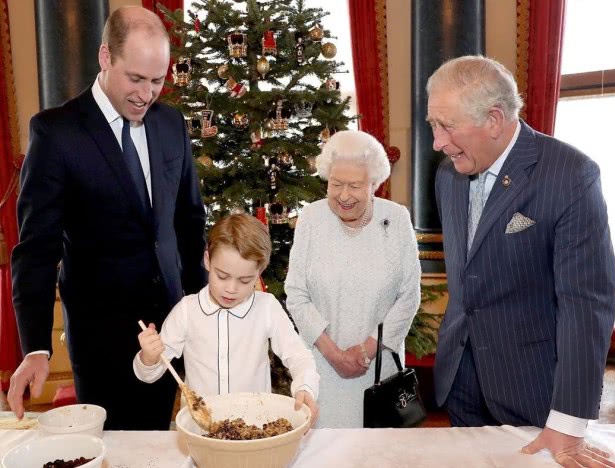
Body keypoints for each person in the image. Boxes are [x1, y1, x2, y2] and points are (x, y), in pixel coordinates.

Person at [8, 6, 207, 430]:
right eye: (135, 78)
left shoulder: (171, 124)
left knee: (161, 443)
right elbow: (36, 251)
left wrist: (203, 310)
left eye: (157, 81)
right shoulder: (56, 133)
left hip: (172, 326)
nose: (146, 94)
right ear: (105, 57)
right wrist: (36, 347)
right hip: (103, 340)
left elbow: (189, 225)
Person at [427, 55, 615, 467]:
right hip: (461, 376)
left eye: (446, 126)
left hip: (533, 388)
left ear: (494, 119)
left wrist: (568, 420)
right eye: (432, 126)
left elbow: (586, 305)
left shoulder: (570, 174)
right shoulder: (448, 174)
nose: (437, 142)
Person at [285, 130, 421, 428]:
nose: (344, 195)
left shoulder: (396, 219)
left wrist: (365, 351)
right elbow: (295, 293)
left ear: (374, 184)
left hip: (379, 371)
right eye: (336, 185)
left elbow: (408, 295)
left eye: (355, 186)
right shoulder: (311, 218)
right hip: (321, 367)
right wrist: (333, 354)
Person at [135, 214, 319, 425]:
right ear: (207, 260)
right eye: (222, 276)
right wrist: (148, 358)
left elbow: (299, 356)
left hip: (254, 426)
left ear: (259, 271)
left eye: (244, 280)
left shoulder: (266, 307)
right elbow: (149, 374)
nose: (231, 289)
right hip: (200, 429)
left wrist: (305, 387)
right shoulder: (187, 310)